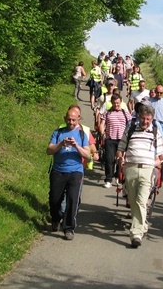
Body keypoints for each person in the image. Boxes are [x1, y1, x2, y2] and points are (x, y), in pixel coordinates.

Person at [116, 103, 163, 248]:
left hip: (148, 170)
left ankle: (136, 234)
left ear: (152, 119)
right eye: (143, 118)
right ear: (139, 117)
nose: (145, 122)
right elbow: (120, 147)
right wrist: (120, 158)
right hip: (130, 168)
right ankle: (143, 224)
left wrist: (162, 161)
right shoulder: (131, 129)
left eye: (148, 119)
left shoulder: (155, 132)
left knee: (141, 200)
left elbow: (162, 153)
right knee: (133, 201)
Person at [46, 107, 93, 240]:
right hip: (58, 170)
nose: (71, 122)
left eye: (73, 119)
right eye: (68, 119)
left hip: (75, 172)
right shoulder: (58, 132)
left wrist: (76, 146)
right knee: (54, 199)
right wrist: (61, 144)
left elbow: (87, 155)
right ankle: (56, 219)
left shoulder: (82, 134)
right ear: (65, 119)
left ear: (78, 119)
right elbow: (49, 150)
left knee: (72, 200)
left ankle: (69, 228)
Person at [102, 94, 131, 189]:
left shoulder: (125, 112)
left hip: (122, 140)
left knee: (120, 160)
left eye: (118, 103)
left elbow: (130, 124)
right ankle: (108, 179)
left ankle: (118, 176)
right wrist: (103, 133)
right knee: (109, 159)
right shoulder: (108, 112)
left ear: (121, 102)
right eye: (114, 103)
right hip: (110, 139)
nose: (116, 105)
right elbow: (102, 123)